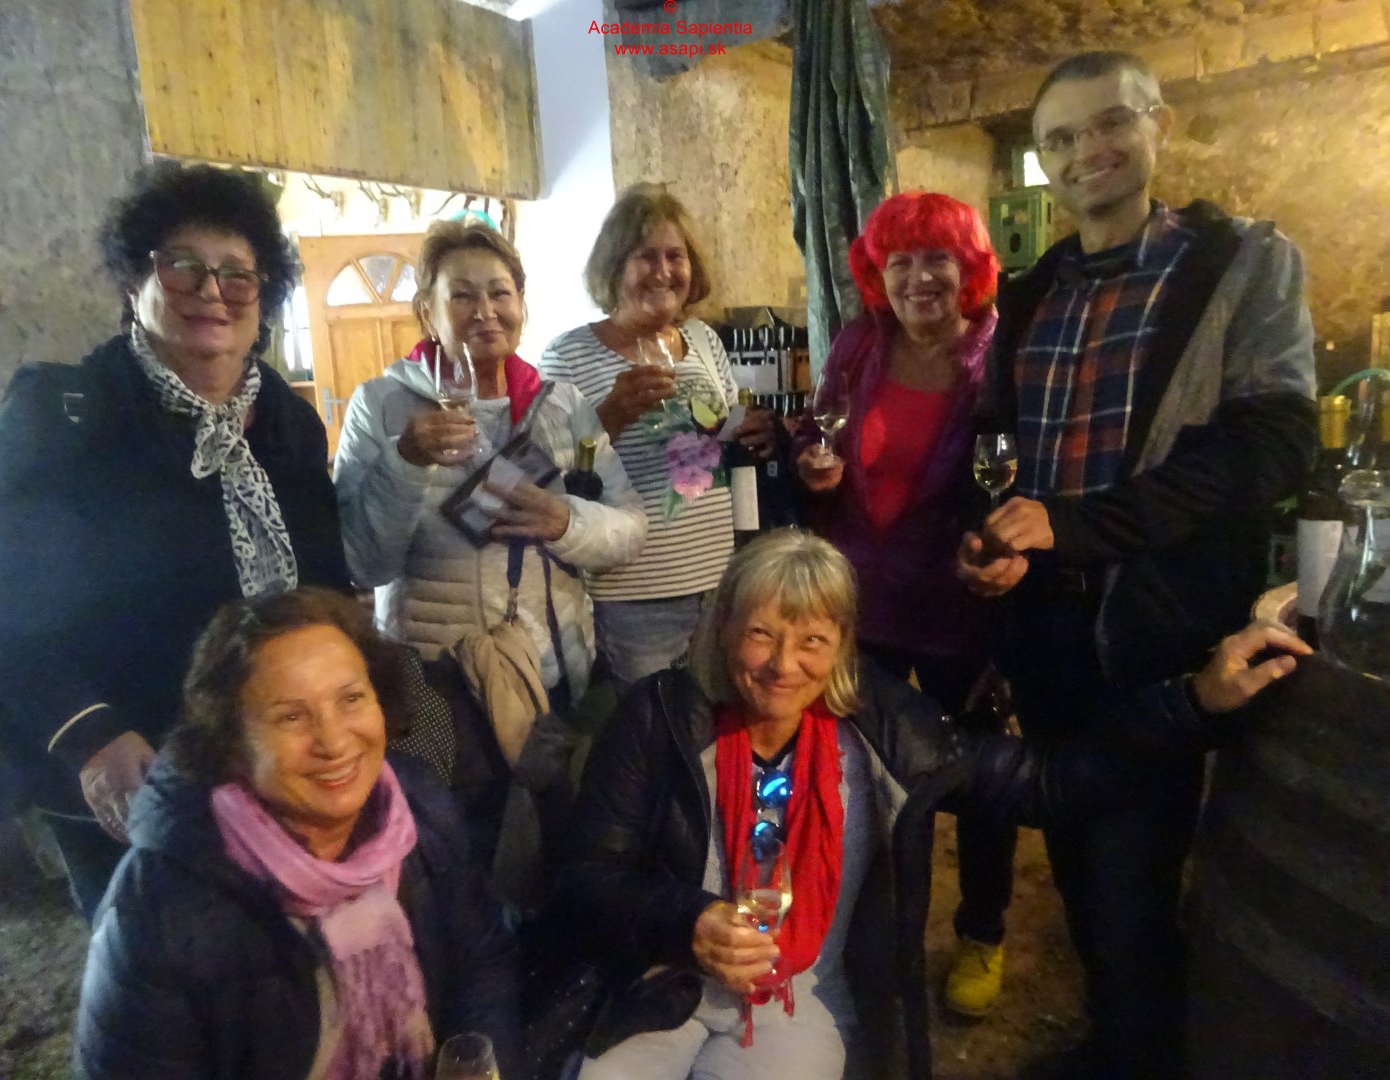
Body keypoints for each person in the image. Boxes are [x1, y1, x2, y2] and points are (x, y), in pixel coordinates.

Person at [552, 531, 1306, 1080]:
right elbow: (586, 879)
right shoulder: (661, 718)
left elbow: (1047, 782)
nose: (783, 665)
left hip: (797, 997)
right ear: (724, 631)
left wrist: (1195, 702)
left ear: (844, 643)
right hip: (663, 980)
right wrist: (686, 919)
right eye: (760, 634)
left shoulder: (883, 730)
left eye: (812, 639)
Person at [955, 52, 1317, 1080]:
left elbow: (1271, 447)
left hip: (1155, 631)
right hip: (1048, 632)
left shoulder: (1240, 262)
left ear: (1159, 122)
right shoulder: (1031, 294)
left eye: (1110, 123)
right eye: (1061, 139)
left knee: (1134, 883)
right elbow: (999, 450)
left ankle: (1140, 1051)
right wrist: (992, 542)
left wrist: (1074, 528)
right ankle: (1120, 1041)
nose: (1088, 152)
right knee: (1079, 858)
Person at [0, 162, 350, 918]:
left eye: (237, 274)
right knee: (160, 967)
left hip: (277, 759)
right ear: (136, 281)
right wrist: (91, 737)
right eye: (183, 266)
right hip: (135, 778)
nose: (211, 291)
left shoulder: (289, 423)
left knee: (282, 950)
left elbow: (325, 582)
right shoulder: (64, 415)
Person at [74, 587, 523, 1079]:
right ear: (232, 743)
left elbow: (481, 965)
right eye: (291, 716)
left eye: (351, 699)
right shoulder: (159, 907)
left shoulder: (418, 808)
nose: (333, 741)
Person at [794, 191, 1015, 1017]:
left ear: (970, 269)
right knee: (861, 774)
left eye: (937, 259)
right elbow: (818, 433)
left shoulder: (1000, 355)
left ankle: (983, 931)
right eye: (900, 262)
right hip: (862, 604)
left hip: (960, 606)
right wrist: (812, 465)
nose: (919, 278)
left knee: (981, 777)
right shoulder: (859, 345)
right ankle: (872, 932)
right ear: (877, 275)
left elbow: (1018, 475)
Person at [333, 217, 646, 709]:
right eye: (462, 296)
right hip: (435, 679)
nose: (486, 312)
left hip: (550, 671)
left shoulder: (561, 405)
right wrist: (405, 460)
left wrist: (566, 522)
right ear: (427, 312)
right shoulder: (380, 406)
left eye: (500, 293)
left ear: (521, 304)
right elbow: (364, 566)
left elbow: (630, 530)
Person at [539, 184, 779, 685]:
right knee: (654, 723)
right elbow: (548, 473)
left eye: (675, 256)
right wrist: (609, 417)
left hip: (720, 581)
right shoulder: (568, 355)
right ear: (614, 266)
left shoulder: (703, 339)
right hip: (635, 593)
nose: (664, 271)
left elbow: (725, 429)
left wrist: (753, 430)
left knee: (717, 715)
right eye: (646, 256)